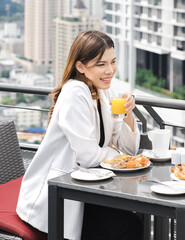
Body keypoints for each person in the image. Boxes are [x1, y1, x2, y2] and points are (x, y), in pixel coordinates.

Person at [16, 30, 143, 240]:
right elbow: (89, 157)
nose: (110, 70)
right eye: (101, 64)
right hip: (58, 196)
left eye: (113, 62)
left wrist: (128, 114)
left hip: (85, 190)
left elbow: (130, 149)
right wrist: (121, 158)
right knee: (126, 228)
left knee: (130, 224)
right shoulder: (75, 92)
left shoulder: (105, 90)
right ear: (80, 66)